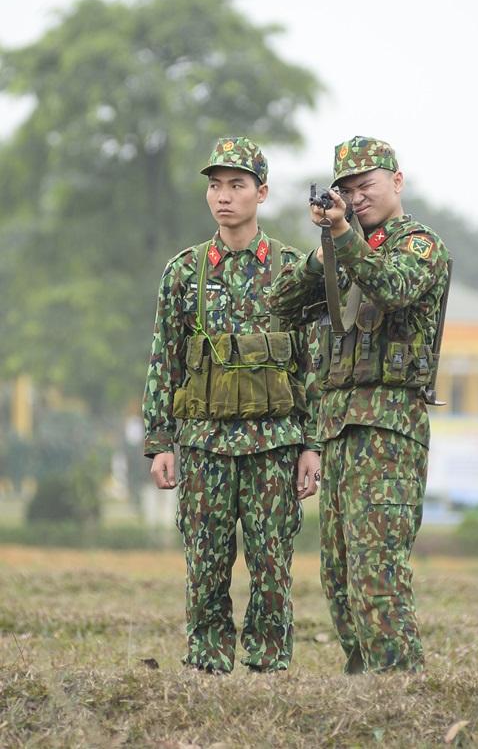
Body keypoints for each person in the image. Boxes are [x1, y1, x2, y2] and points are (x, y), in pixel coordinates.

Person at [268, 135, 450, 674]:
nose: (356, 197)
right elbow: (280, 303)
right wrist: (325, 248)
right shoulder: (341, 250)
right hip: (340, 430)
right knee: (340, 575)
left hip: (389, 430)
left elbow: (392, 288)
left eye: (365, 186)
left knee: (378, 572)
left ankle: (402, 693)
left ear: (396, 181)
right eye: (345, 190)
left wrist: (344, 237)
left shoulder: (419, 245)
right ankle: (364, 686)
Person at [143, 136, 320, 674]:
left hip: (275, 446)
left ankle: (268, 665)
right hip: (203, 444)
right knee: (206, 560)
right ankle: (206, 661)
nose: (224, 196)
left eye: (237, 185)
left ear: (261, 193)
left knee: (272, 562)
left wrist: (313, 446)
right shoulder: (184, 272)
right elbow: (163, 361)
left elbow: (310, 365)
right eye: (216, 185)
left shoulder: (293, 269)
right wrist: (159, 445)